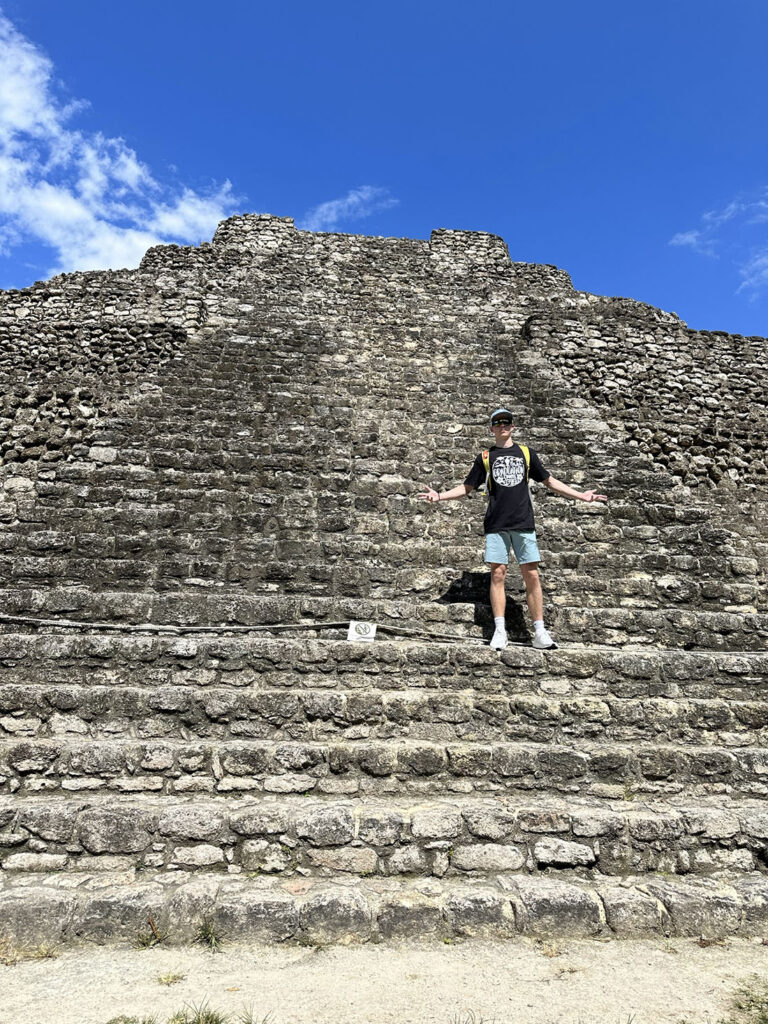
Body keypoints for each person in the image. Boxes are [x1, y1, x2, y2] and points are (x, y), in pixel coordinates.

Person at [418, 407, 608, 650]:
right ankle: (500, 630)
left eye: (506, 422)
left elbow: (549, 481)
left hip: (522, 521)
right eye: (498, 423)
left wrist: (581, 495)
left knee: (532, 575)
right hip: (496, 523)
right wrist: (440, 496)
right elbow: (467, 487)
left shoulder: (526, 453)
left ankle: (539, 631)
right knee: (498, 574)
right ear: (491, 428)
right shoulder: (485, 457)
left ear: (513, 426)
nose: (503, 426)